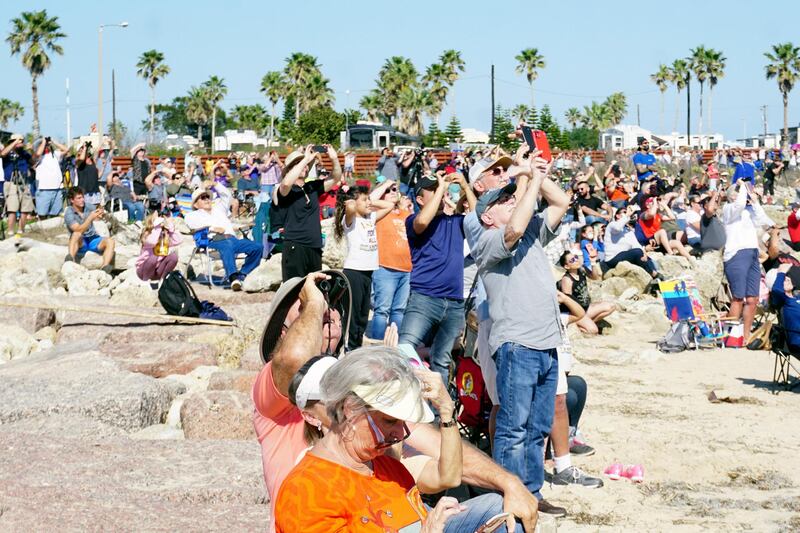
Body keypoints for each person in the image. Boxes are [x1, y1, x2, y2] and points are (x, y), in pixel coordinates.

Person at [254, 273, 540, 532]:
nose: (324, 315)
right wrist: (313, 303)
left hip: (384, 501)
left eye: (331, 314)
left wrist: (509, 482)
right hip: (327, 513)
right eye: (309, 315)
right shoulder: (275, 398)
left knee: (499, 510)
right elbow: (293, 363)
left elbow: (438, 453)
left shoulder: (376, 445)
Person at [275, 346, 517, 533]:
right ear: (349, 408)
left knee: (500, 510)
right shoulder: (307, 491)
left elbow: (447, 479)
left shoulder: (387, 467)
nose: (401, 434)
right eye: (390, 421)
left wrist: (447, 410)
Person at [472, 152, 571, 508]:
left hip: (546, 341)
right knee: (514, 428)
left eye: (511, 197)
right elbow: (512, 227)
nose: (510, 200)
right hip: (516, 343)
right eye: (502, 200)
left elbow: (561, 201)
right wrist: (528, 181)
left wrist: (538, 174)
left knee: (537, 428)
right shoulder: (487, 240)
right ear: (487, 215)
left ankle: (532, 493)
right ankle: (508, 497)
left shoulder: (530, 228)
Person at [398, 171, 477, 389]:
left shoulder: (455, 222)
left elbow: (478, 219)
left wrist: (466, 186)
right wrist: (442, 187)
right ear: (420, 200)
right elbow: (423, 220)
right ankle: (407, 397)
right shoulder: (413, 220)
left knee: (441, 360)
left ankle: (438, 413)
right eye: (432, 191)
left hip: (453, 302)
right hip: (424, 298)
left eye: (439, 190)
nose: (439, 194)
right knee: (405, 348)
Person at [333, 187, 393, 350]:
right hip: (354, 272)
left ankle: (357, 346)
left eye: (369, 200)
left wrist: (369, 201)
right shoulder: (350, 220)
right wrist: (351, 200)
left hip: (367, 272)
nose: (369, 203)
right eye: (364, 200)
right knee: (352, 315)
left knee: (362, 315)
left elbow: (389, 206)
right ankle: (349, 348)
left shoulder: (370, 218)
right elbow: (351, 208)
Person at [277, 145, 342, 281]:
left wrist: (334, 159)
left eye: (306, 165)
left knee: (315, 291)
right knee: (294, 292)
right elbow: (285, 184)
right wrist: (305, 159)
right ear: (289, 169)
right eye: (298, 164)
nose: (304, 166)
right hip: (295, 246)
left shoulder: (311, 187)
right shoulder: (285, 190)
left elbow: (335, 178)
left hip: (314, 246)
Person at [722, 179, 774, 342]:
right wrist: (743, 186)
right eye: (738, 191)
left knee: (752, 299)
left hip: (752, 253)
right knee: (738, 297)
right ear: (732, 195)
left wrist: (755, 201)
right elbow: (737, 205)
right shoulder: (728, 209)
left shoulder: (749, 210)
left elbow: (765, 221)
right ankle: (730, 335)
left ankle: (745, 335)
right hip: (736, 253)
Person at [185, 183, 263, 291]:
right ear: (196, 205)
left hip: (232, 239)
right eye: (203, 198)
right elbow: (193, 228)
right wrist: (211, 228)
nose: (207, 199)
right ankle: (233, 277)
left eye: (208, 197)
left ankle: (243, 274)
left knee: (257, 247)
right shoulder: (192, 215)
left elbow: (227, 195)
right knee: (227, 246)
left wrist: (215, 184)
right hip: (214, 241)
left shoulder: (219, 209)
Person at [368, 178, 413, 340]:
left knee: (399, 310)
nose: (394, 192)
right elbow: (369, 201)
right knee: (382, 310)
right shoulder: (377, 213)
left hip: (406, 269)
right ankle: (378, 345)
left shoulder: (405, 214)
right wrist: (386, 184)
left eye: (395, 189)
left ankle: (395, 343)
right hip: (385, 267)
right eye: (389, 191)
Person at [63, 186, 115, 273]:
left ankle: (105, 267)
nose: (82, 200)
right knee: (76, 234)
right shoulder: (69, 212)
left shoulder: (88, 206)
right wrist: (90, 218)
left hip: (92, 238)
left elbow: (98, 215)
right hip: (80, 241)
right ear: (72, 200)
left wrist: (101, 214)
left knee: (110, 241)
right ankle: (70, 260)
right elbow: (78, 230)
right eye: (79, 198)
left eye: (82, 197)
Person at [1, 134, 34, 237]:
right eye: (19, 141)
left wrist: (31, 151)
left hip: (23, 182)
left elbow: (33, 162)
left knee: (25, 208)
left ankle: (21, 230)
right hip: (11, 183)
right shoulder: (8, 152)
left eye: (22, 141)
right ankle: (10, 231)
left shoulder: (24, 153)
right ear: (12, 142)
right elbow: (2, 154)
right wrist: (15, 142)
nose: (21, 142)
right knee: (12, 208)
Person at [136, 212, 181, 281]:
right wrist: (157, 226)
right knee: (154, 257)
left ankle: (163, 280)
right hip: (143, 270)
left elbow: (178, 240)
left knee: (173, 257)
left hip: (157, 270)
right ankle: (145, 282)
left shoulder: (165, 236)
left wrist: (171, 227)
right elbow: (153, 242)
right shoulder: (147, 234)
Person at [33, 136, 67, 219]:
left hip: (57, 188)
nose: (46, 146)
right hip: (43, 189)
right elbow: (37, 154)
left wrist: (53, 142)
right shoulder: (38, 157)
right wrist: (43, 142)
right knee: (42, 214)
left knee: (55, 213)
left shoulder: (55, 154)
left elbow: (66, 150)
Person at [769, 263, 800, 351]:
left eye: (787, 277)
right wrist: (781, 272)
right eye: (783, 279)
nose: (787, 278)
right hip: (797, 339)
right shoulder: (783, 300)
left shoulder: (797, 297)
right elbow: (776, 290)